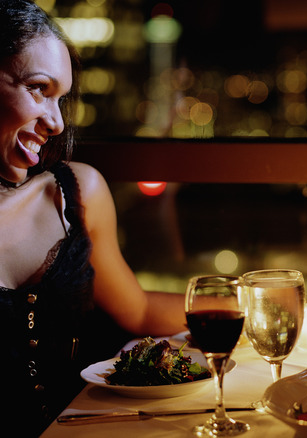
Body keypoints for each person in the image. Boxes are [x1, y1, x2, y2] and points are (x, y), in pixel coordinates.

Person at [0, 1, 186, 434]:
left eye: (61, 99)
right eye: (39, 89)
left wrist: (252, 304)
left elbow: (138, 310)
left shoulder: (75, 195)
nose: (56, 122)